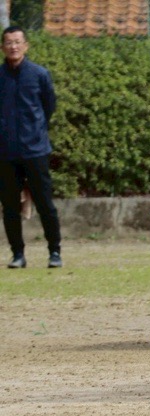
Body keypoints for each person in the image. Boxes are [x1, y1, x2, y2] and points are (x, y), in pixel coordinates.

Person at [0, 26, 61, 269]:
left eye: (17, 42)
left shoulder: (39, 74)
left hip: (36, 150)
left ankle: (54, 251)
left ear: (25, 45)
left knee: (45, 203)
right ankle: (17, 254)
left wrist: (35, 131)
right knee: (10, 207)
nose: (13, 46)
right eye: (8, 42)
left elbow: (48, 107)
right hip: (5, 152)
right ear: (3, 47)